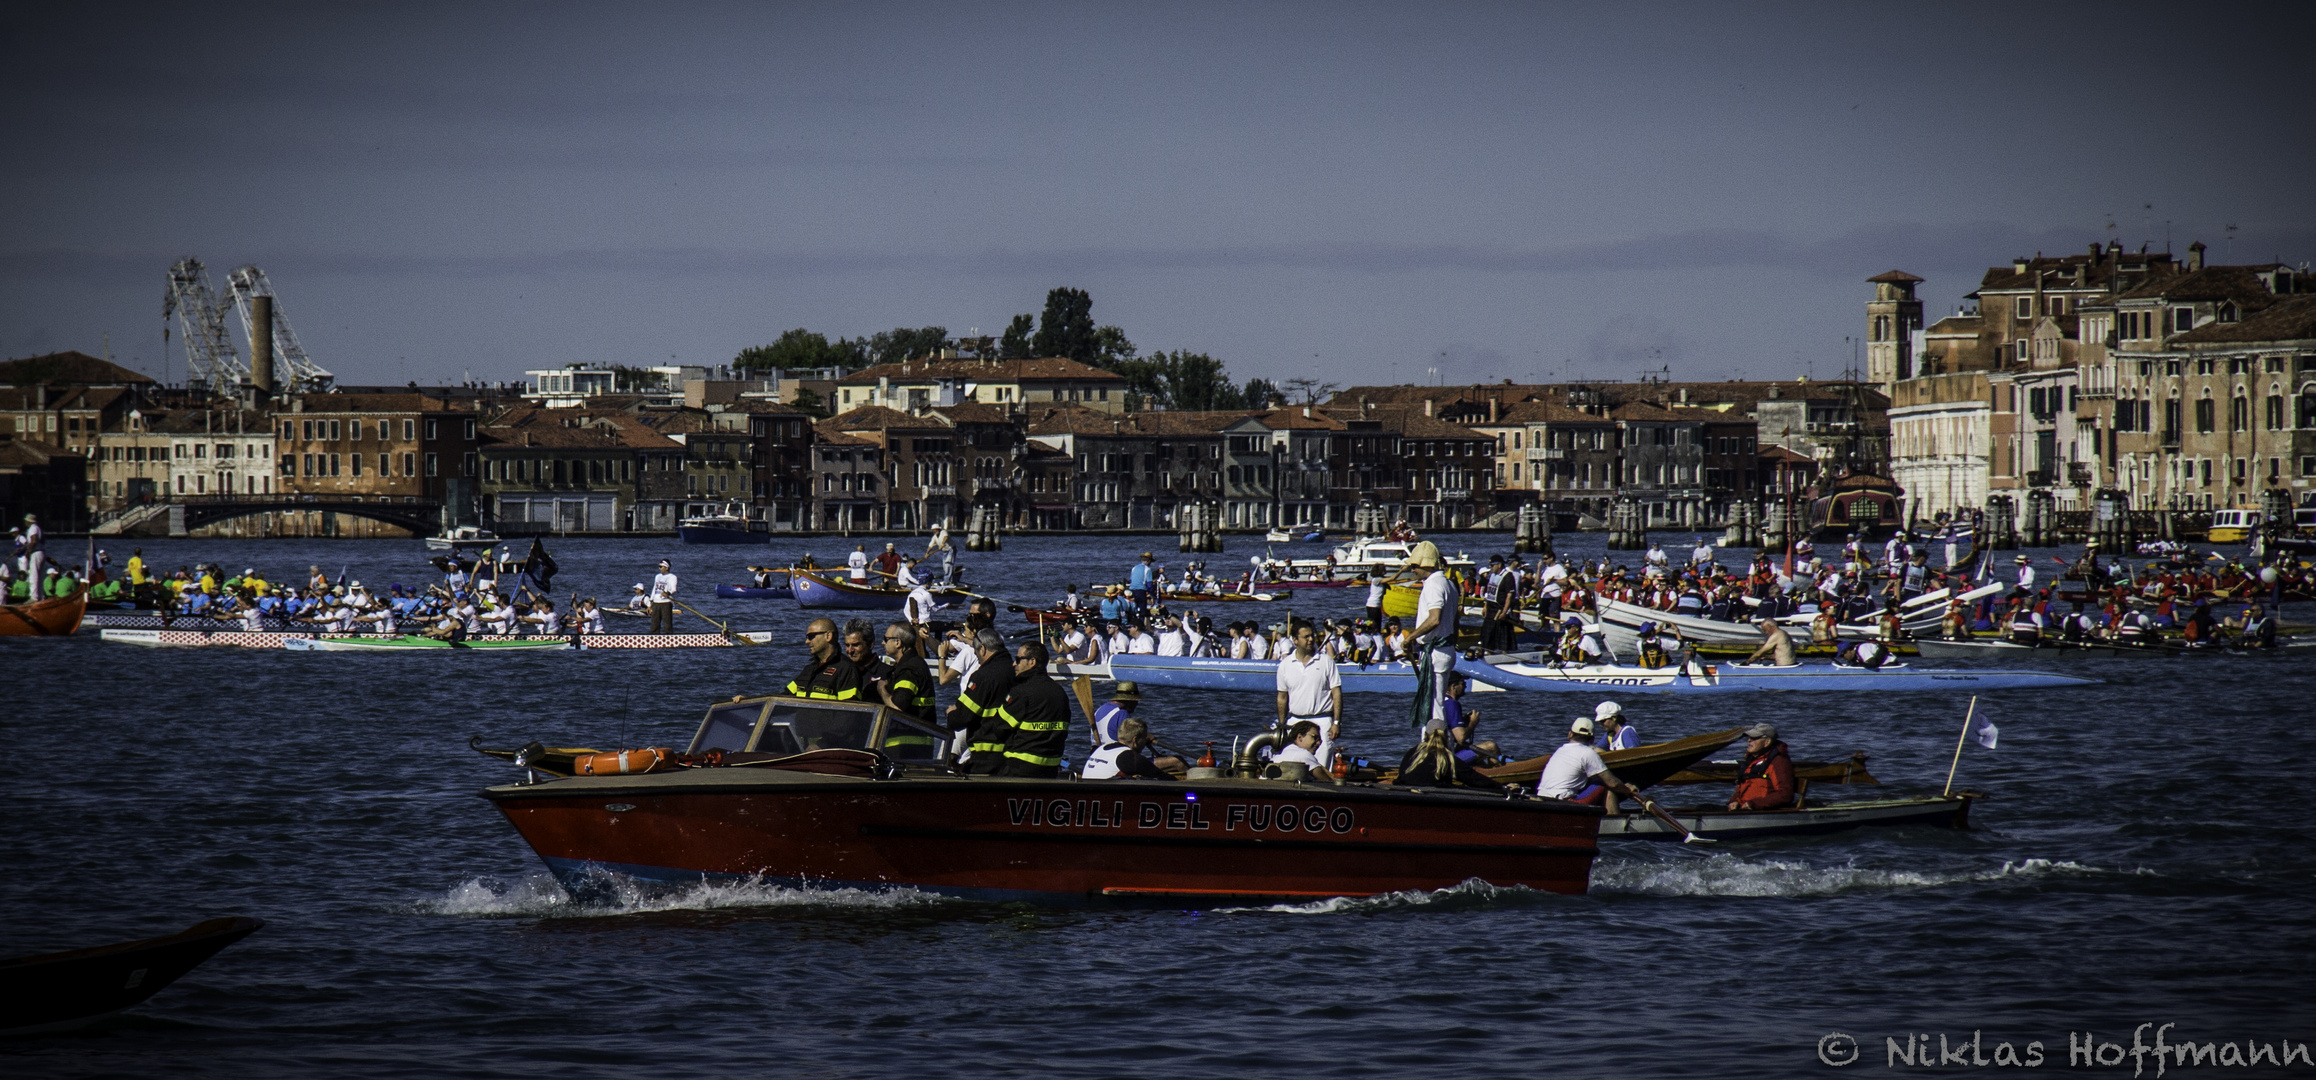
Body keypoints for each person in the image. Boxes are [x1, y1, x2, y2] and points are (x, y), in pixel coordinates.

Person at [1404, 541, 1461, 731]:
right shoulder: (1449, 584)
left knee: (1433, 707)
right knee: (1436, 704)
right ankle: (1438, 745)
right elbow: (1455, 620)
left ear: (1425, 564)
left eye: (1414, 566)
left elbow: (1434, 618)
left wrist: (1410, 637)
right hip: (1445, 649)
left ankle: (1435, 751)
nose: (1412, 570)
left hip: (1436, 652)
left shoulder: (1433, 585)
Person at [994, 642, 1071, 777]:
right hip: (1050, 770)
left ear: (1032, 662)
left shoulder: (1021, 692)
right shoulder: (1060, 693)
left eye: (1018, 659)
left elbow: (999, 728)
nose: (1014, 664)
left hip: (1019, 769)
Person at [1275, 621, 1344, 768]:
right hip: (1295, 722)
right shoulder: (1285, 665)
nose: (1311, 639)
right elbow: (1282, 698)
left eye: (1311, 636)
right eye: (1306, 637)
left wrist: (1336, 723)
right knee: (1291, 766)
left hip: (1322, 720)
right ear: (1295, 640)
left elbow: (1336, 693)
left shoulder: (1326, 661)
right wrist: (1282, 725)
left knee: (1322, 766)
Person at [948, 628, 1015, 774]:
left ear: (983, 649)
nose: (976, 655)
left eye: (976, 651)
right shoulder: (1014, 671)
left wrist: (951, 713)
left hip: (986, 756)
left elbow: (961, 718)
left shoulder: (983, 676)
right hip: (1011, 754)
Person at [1535, 716, 1638, 810]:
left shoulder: (1559, 750)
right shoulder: (1588, 753)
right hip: (1563, 802)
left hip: (1542, 796)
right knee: (1607, 786)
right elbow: (1613, 783)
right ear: (1592, 739)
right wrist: (1628, 790)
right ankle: (1615, 823)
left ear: (1570, 734)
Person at [786, 617, 864, 701]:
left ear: (828, 636)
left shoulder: (847, 670)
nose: (807, 641)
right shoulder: (808, 670)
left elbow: (850, 709)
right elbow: (784, 698)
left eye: (811, 636)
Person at [1395, 726, 1499, 788]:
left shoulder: (1412, 752)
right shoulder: (1447, 757)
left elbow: (1402, 774)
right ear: (1447, 737)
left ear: (1426, 735)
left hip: (1408, 792)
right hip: (1433, 796)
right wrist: (1501, 787)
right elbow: (1473, 778)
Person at [1082, 717, 1178, 780]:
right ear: (1135, 740)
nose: (1145, 742)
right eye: (1144, 739)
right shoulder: (1129, 757)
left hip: (1087, 790)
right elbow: (1164, 778)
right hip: (1104, 795)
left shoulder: (1101, 748)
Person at [1728, 722, 1796, 810]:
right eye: (1749, 737)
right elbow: (1743, 788)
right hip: (1745, 810)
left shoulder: (1778, 762)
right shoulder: (1751, 760)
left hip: (1761, 811)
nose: (1749, 740)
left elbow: (1785, 794)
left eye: (1754, 738)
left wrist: (1753, 804)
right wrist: (1734, 800)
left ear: (1767, 742)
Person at [648, 560, 678, 634]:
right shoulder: (657, 576)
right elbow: (654, 589)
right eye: (659, 567)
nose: (659, 568)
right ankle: (654, 639)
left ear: (666, 568)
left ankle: (669, 639)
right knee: (654, 625)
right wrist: (650, 603)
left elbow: (673, 589)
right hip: (656, 603)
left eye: (661, 567)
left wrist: (668, 593)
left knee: (667, 625)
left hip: (665, 603)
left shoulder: (672, 577)